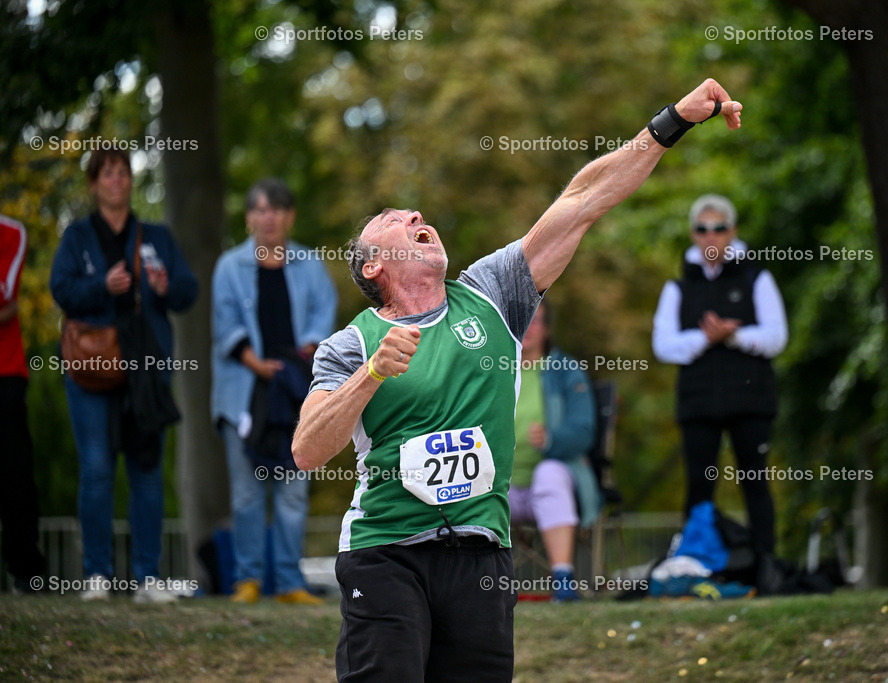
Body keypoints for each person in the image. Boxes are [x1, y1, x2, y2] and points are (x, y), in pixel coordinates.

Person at [291, 79, 743, 681]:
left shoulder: (491, 294)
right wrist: (371, 375)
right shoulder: (350, 345)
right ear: (373, 265)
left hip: (481, 553)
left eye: (417, 213)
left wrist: (673, 122)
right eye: (396, 219)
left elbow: (585, 199)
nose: (417, 215)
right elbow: (306, 450)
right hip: (385, 551)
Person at [49, 149, 198, 602]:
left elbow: (188, 290)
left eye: (123, 173)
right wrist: (102, 286)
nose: (117, 181)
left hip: (145, 372)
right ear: (94, 184)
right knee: (96, 470)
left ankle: (147, 578)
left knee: (147, 472)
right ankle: (96, 575)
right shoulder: (76, 237)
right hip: (91, 371)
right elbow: (61, 290)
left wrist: (164, 287)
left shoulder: (155, 235)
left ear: (130, 182)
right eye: (107, 174)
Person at [211, 178, 338, 605]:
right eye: (260, 210)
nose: (269, 218)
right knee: (247, 492)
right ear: (249, 218)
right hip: (243, 395)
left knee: (292, 491)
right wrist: (255, 363)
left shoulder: (310, 263)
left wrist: (307, 349)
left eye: (277, 210)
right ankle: (246, 580)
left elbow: (324, 310)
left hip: (295, 393)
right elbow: (223, 324)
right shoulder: (229, 267)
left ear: (290, 216)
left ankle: (289, 582)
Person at [652, 193, 788, 559]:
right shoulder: (677, 286)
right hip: (698, 402)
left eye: (719, 228)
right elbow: (663, 345)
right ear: (693, 234)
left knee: (754, 481)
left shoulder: (756, 277)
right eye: (702, 229)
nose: (711, 236)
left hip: (751, 398)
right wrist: (706, 338)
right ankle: (698, 565)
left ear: (732, 231)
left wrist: (735, 336)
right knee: (699, 484)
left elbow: (776, 337)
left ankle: (766, 565)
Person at [508, 299, 599, 602]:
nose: (529, 328)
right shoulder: (495, 370)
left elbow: (584, 432)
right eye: (523, 321)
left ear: (547, 328)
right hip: (500, 483)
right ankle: (474, 588)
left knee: (549, 473)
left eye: (536, 321)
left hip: (552, 484)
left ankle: (563, 580)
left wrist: (551, 439)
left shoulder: (566, 371)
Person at [0, 213, 47, 594]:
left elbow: (6, 296)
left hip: (6, 372)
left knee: (14, 472)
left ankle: (27, 569)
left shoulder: (12, 233)